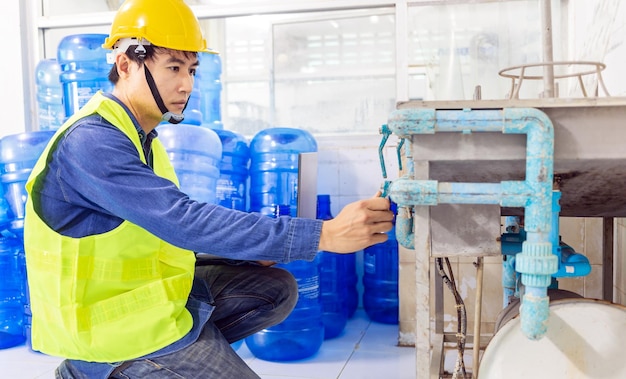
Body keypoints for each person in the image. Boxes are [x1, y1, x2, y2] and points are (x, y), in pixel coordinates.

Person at [23, 0, 393, 378]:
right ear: (125, 65)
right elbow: (183, 220)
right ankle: (98, 368)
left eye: (192, 69)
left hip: (144, 303)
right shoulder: (92, 142)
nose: (187, 84)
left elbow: (160, 235)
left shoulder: (141, 136)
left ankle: (168, 364)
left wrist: (249, 253)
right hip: (110, 329)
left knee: (273, 288)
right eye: (173, 67)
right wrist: (324, 234)